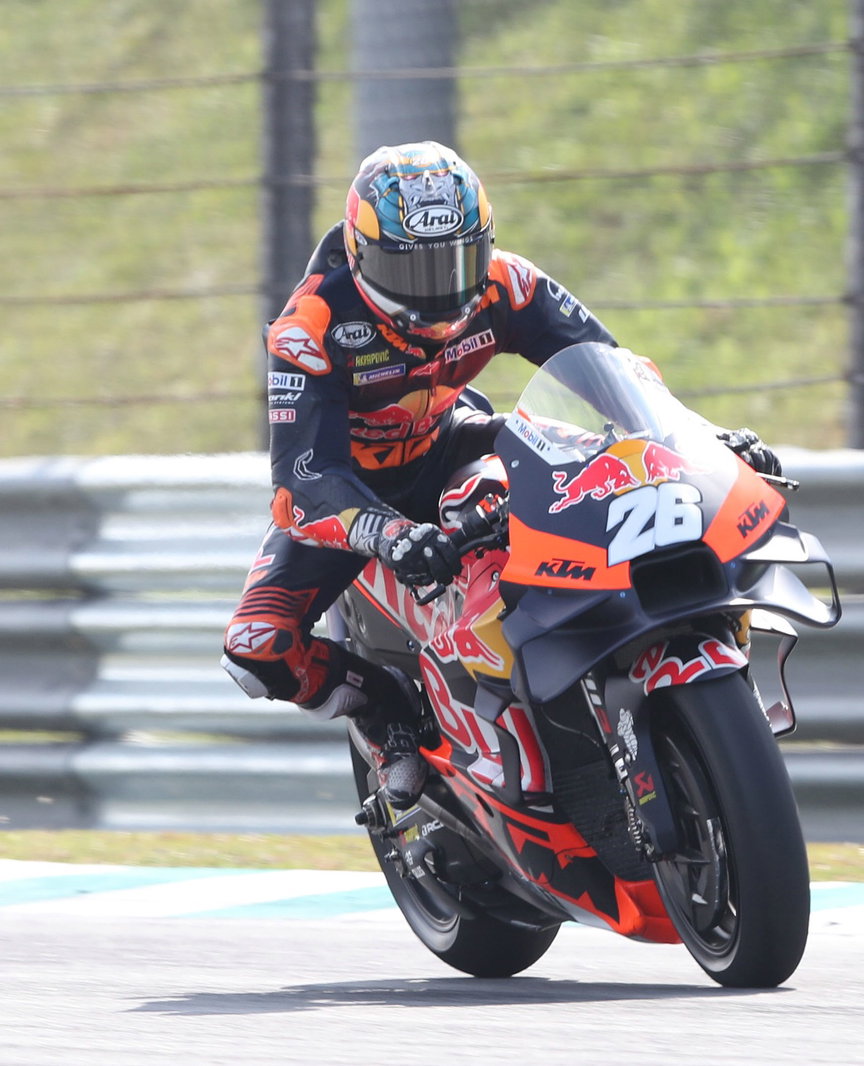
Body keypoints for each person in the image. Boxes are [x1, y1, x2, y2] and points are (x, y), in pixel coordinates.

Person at [221, 141, 779, 808]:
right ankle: (383, 712)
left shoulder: (505, 284)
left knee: (614, 464)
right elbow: (303, 482)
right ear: (364, 255)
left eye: (457, 261)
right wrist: (386, 533)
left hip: (450, 444)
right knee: (256, 647)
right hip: (354, 494)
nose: (442, 290)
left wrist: (702, 441)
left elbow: (614, 372)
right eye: (414, 269)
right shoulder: (310, 329)